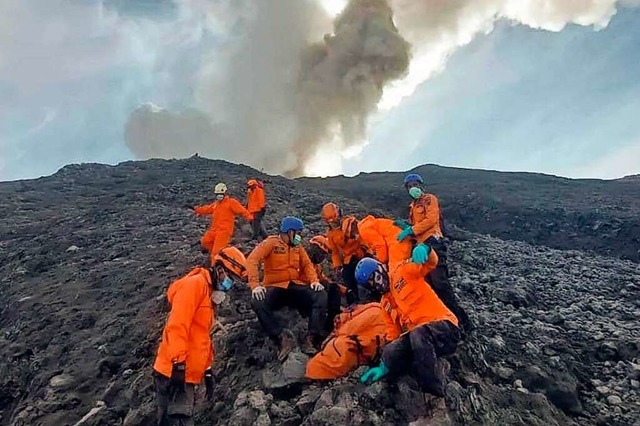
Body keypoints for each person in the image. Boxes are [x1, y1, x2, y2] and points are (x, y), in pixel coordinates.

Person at [152, 246, 248, 426]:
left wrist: (207, 368)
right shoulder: (194, 285)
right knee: (178, 420)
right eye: (231, 278)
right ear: (220, 269)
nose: (230, 284)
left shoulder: (208, 293)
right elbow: (177, 325)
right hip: (173, 372)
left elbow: (202, 337)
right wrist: (178, 364)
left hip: (185, 373)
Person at [354, 246, 461, 397]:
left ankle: (432, 392)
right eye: (371, 284)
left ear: (381, 268)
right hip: (423, 341)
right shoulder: (385, 304)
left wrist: (426, 249)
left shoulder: (402, 271)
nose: (377, 284)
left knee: (418, 333)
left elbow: (430, 264)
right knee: (391, 350)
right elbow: (393, 335)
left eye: (376, 277)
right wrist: (385, 363)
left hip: (445, 328)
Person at [396, 173, 471, 333]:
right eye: (409, 187)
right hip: (421, 247)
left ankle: (460, 324)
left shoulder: (430, 199)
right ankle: (445, 320)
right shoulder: (413, 207)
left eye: (415, 185)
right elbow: (417, 226)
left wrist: (411, 229)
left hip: (434, 242)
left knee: (440, 284)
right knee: (431, 286)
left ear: (421, 186)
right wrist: (406, 227)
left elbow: (430, 220)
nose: (412, 188)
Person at [247, 217, 328, 361]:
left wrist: (314, 281)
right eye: (298, 232)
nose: (299, 236)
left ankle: (311, 336)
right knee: (257, 302)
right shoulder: (271, 243)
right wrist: (255, 285)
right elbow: (252, 259)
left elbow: (307, 265)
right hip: (275, 288)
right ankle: (281, 338)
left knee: (320, 295)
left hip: (294, 287)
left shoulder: (298, 247)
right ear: (290, 232)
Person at [305, 302, 400, 380]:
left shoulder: (377, 309)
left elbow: (349, 328)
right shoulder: (378, 311)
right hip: (358, 345)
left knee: (339, 348)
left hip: (354, 346)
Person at [322, 202, 368, 305]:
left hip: (362, 252)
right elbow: (334, 252)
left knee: (371, 271)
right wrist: (337, 265)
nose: (335, 223)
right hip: (349, 258)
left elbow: (363, 234)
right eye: (332, 221)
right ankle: (354, 302)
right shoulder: (330, 234)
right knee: (348, 278)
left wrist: (364, 248)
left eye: (336, 219)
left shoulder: (350, 222)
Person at [194, 182, 253, 262]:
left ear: (225, 193)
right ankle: (221, 255)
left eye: (220, 193)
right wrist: (198, 209)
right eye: (217, 194)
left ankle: (215, 266)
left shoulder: (231, 202)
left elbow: (242, 210)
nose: (219, 195)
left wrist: (250, 217)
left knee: (216, 252)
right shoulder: (216, 204)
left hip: (224, 231)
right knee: (205, 242)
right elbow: (207, 209)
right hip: (214, 229)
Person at [306, 235, 344, 331]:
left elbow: (324, 280)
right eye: (321, 254)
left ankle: (331, 324)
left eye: (324, 255)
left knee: (333, 288)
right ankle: (315, 332)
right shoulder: (301, 260)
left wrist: (345, 290)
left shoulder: (316, 266)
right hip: (301, 292)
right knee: (321, 294)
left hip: (311, 290)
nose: (322, 257)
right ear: (315, 249)